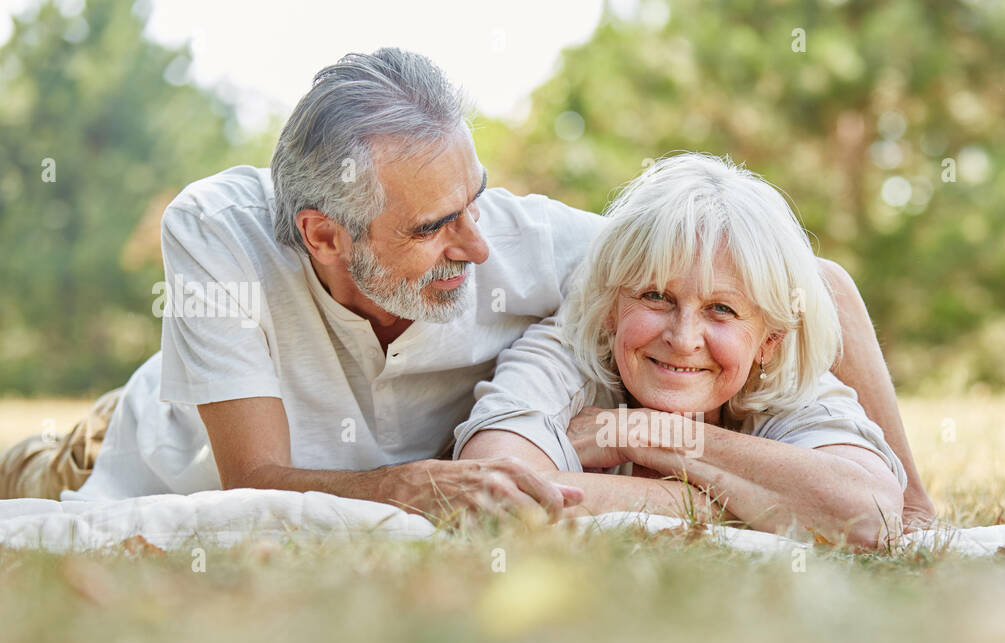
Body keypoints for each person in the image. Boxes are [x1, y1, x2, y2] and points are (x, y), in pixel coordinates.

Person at [0, 48, 936, 530]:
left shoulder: (525, 244)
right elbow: (255, 482)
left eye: (474, 199)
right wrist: (408, 487)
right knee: (40, 474)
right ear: (324, 234)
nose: (476, 243)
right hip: (155, 445)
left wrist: (917, 508)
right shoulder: (221, 230)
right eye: (432, 227)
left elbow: (810, 282)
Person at [456, 154, 906, 549]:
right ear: (611, 308)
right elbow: (490, 494)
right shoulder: (565, 352)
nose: (684, 337)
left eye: (721, 309)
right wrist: (761, 503)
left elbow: (872, 516)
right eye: (655, 297)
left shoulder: (784, 380)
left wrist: (646, 433)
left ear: (769, 341)